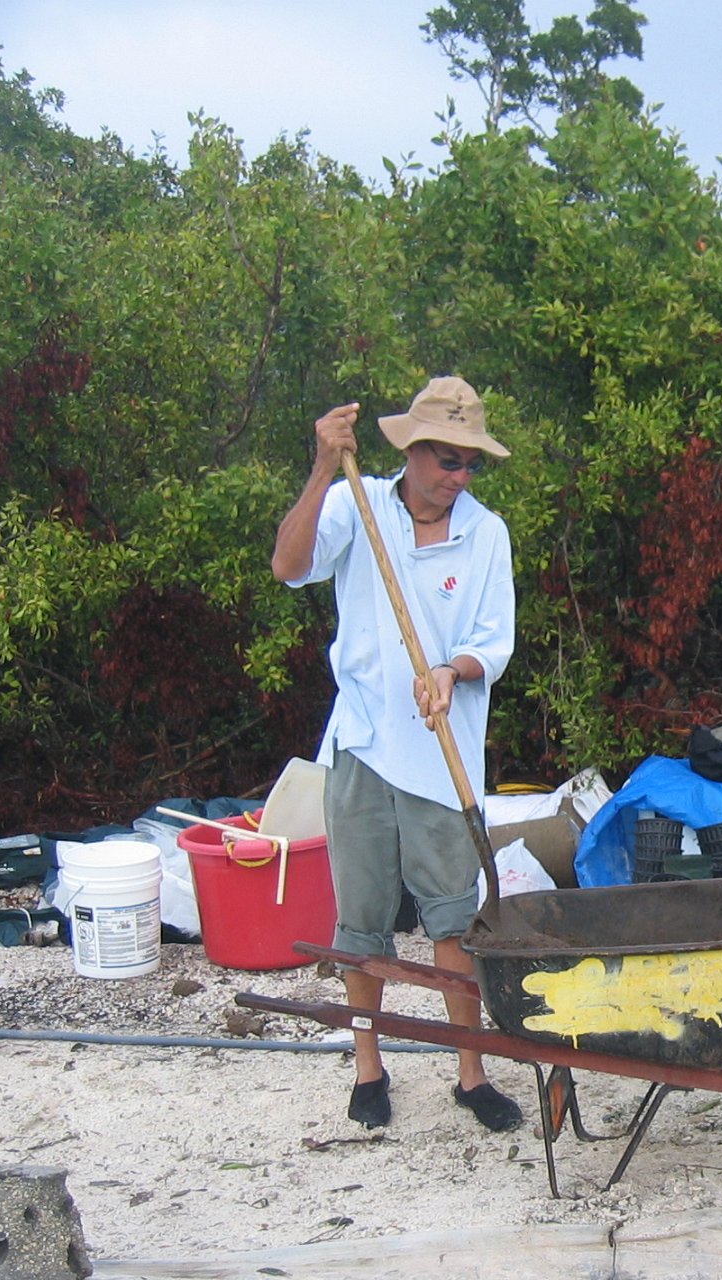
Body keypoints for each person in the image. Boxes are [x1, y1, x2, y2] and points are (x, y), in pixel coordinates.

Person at [271, 376, 525, 1132]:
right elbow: (288, 567)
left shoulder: (485, 534)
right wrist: (322, 466)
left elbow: (494, 645)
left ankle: (471, 1072)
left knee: (452, 919)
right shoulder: (358, 503)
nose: (459, 477)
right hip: (361, 744)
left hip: (442, 752)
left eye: (470, 464)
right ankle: (368, 1065)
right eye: (447, 461)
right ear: (411, 453)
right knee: (363, 921)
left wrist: (451, 671)